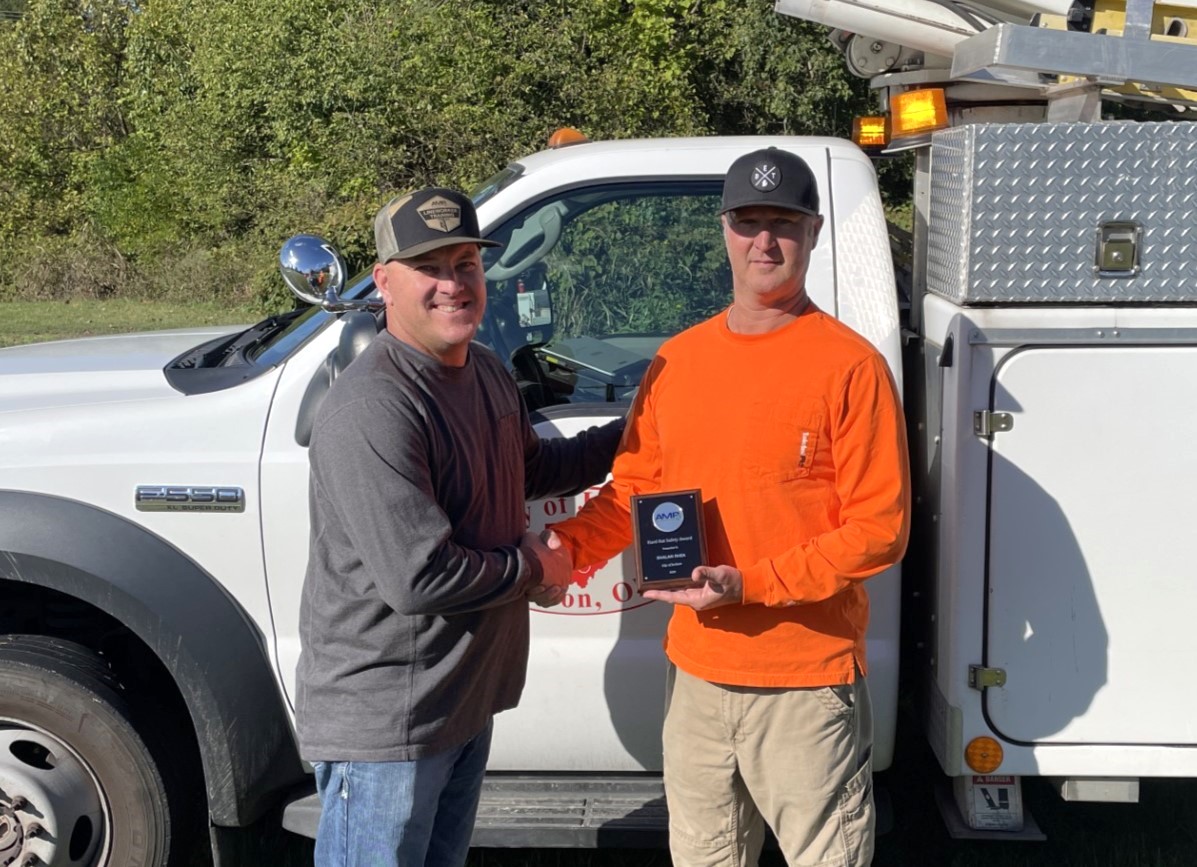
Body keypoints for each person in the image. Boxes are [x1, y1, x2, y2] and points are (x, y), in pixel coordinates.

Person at [547, 148, 910, 867]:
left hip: (805, 684)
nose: (764, 241)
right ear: (724, 230)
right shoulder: (677, 363)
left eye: (783, 223)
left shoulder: (849, 366)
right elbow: (632, 490)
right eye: (748, 221)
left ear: (812, 233)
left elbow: (879, 528)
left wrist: (748, 584)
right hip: (698, 678)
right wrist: (563, 550)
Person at [295, 186, 623, 867]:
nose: (453, 284)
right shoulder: (374, 406)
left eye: (466, 263)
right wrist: (538, 567)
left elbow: (531, 467)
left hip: (459, 703)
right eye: (430, 267)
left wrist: (640, 429)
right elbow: (421, 576)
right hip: (390, 725)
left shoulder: (484, 371)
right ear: (384, 282)